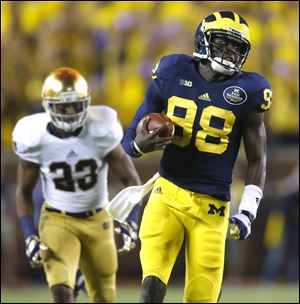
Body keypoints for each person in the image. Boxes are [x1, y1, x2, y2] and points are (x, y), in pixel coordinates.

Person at [122, 10, 272, 303]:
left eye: (237, 47)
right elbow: (129, 140)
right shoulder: (171, 70)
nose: (230, 52)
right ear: (203, 40)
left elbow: (257, 158)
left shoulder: (251, 91)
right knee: (151, 285)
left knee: (202, 296)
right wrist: (140, 145)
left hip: (213, 208)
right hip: (168, 195)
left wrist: (247, 212)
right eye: (223, 43)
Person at [12, 67, 141, 303]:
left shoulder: (102, 128)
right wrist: (30, 234)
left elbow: (131, 180)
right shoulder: (33, 136)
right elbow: (22, 191)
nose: (70, 112)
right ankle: (73, 278)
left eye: (75, 105)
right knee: (61, 291)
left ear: (87, 102)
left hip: (98, 218)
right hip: (57, 220)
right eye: (63, 106)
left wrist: (132, 221)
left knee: (104, 296)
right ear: (48, 105)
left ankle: (82, 275)